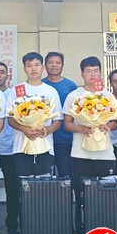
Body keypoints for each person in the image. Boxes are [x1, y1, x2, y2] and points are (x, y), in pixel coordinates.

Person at [63, 56, 117, 234]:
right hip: (80, 154)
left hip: (105, 153)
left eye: (96, 71)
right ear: (82, 74)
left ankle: (105, 230)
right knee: (81, 194)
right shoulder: (74, 95)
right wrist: (81, 128)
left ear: (101, 73)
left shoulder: (107, 96)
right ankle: (81, 230)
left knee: (105, 193)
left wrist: (107, 126)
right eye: (88, 71)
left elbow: (115, 123)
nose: (93, 74)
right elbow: (67, 123)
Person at [7, 52, 62, 179]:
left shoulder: (51, 91)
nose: (33, 69)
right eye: (29, 65)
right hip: (21, 148)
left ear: (42, 67)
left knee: (45, 186)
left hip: (46, 147)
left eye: (37, 65)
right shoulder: (17, 90)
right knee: (23, 185)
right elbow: (10, 119)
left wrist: (46, 130)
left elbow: (58, 120)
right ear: (24, 68)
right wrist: (24, 129)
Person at [0, 62, 20, 234]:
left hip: (11, 150)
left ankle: (12, 227)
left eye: (2, 72)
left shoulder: (14, 94)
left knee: (12, 190)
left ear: (8, 76)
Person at [42, 52, 77, 180]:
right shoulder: (40, 85)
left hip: (65, 138)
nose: (54, 65)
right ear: (45, 66)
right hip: (43, 138)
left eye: (57, 62)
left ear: (62, 65)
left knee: (66, 175)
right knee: (45, 177)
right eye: (50, 62)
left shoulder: (71, 86)